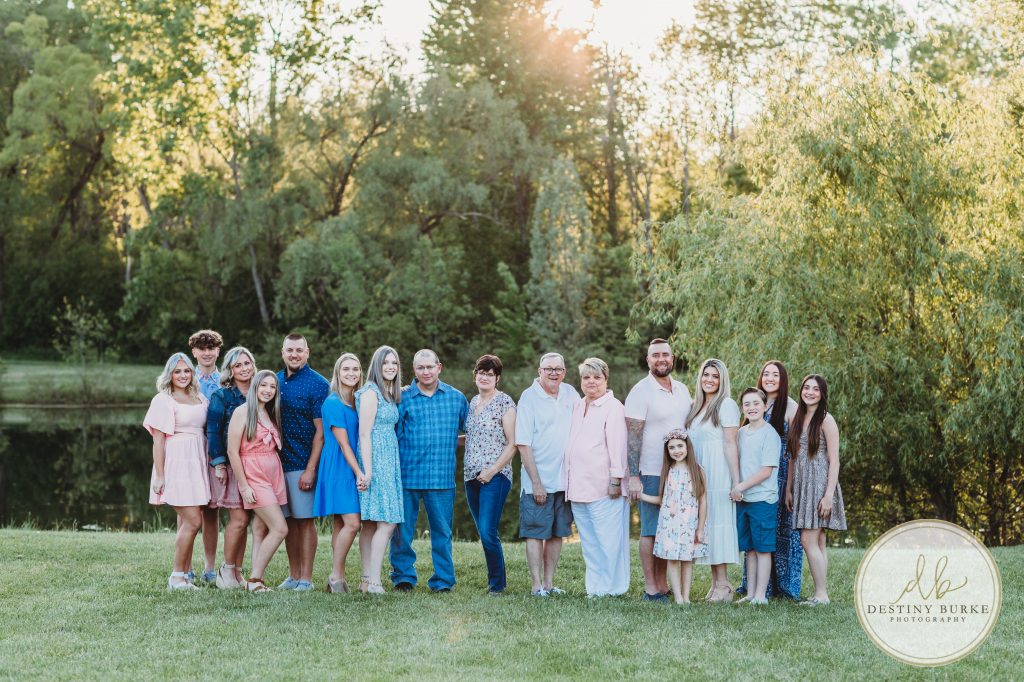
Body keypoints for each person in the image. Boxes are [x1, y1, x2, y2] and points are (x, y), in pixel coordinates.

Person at [391, 349, 468, 593]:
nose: (425, 372)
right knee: (402, 532)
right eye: (420, 368)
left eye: (429, 367)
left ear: (439, 367)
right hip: (407, 476)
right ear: (414, 370)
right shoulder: (402, 398)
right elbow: (392, 435)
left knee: (442, 533)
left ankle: (443, 580)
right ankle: (403, 576)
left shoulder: (456, 398)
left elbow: (472, 434)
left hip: (442, 477)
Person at [624, 338, 692, 602]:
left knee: (670, 528)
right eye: (656, 355)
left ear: (672, 359)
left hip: (678, 471)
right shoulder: (641, 391)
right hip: (651, 470)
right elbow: (632, 436)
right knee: (650, 530)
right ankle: (652, 587)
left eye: (666, 354)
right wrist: (632, 477)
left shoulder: (683, 389)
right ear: (648, 360)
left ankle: (664, 585)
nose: (661, 359)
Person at [563, 358, 629, 597]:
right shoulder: (578, 406)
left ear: (605, 379)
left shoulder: (614, 407)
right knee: (590, 542)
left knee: (609, 541)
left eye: (596, 377)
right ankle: (595, 588)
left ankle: (614, 588)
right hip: (579, 486)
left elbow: (618, 448)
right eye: (586, 377)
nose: (591, 382)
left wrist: (615, 480)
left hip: (603, 486)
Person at [515, 352, 580, 597]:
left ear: (564, 372)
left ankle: (550, 584)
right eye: (548, 368)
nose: (554, 373)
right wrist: (536, 483)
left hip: (565, 481)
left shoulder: (570, 393)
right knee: (534, 532)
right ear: (539, 370)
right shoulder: (529, 397)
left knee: (556, 533)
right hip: (538, 481)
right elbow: (523, 444)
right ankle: (535, 585)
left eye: (559, 369)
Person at [144, 352, 210, 590]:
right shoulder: (163, 400)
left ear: (192, 373)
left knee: (188, 522)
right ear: (169, 374)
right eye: (177, 371)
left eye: (186, 371)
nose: (183, 375)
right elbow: (158, 441)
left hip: (197, 460)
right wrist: (160, 475)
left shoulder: (199, 397)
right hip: (176, 463)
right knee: (193, 521)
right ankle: (176, 576)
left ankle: (182, 576)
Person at [738, 360, 802, 600]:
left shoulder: (790, 406)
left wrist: (790, 486)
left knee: (782, 532)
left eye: (775, 374)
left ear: (783, 379)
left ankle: (784, 586)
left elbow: (796, 448)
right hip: (756, 477)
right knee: (755, 538)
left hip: (781, 472)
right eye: (766, 373)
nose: (770, 378)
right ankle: (756, 589)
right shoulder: (755, 403)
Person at [786, 374, 847, 606]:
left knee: (807, 540)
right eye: (806, 388)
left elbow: (835, 460)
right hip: (801, 482)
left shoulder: (826, 419)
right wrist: (789, 488)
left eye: (815, 389)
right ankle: (820, 592)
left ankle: (821, 594)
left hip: (819, 482)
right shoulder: (798, 416)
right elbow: (793, 456)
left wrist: (829, 495)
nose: (809, 392)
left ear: (822, 394)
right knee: (818, 541)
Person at [226, 370, 289, 593]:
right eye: (263, 385)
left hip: (273, 474)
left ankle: (255, 581)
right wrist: (244, 486)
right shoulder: (243, 412)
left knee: (261, 527)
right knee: (280, 528)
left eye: (272, 387)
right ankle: (254, 579)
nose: (268, 390)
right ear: (255, 386)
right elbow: (233, 452)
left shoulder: (269, 413)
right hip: (254, 475)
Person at [276, 333, 330, 591]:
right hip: (277, 464)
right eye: (290, 350)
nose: (294, 354)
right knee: (288, 522)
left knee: (305, 520)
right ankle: (293, 575)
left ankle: (306, 579)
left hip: (302, 462)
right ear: (283, 352)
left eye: (299, 350)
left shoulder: (318, 384)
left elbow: (321, 432)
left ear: (307, 352)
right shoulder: (274, 381)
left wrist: (310, 469)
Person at [686, 358, 741, 602]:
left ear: (722, 380)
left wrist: (736, 481)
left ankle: (723, 585)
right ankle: (716, 583)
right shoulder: (696, 406)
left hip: (719, 472)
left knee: (717, 523)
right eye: (706, 374)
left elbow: (731, 443)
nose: (709, 379)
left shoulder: (726, 405)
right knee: (705, 525)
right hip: (699, 472)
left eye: (715, 376)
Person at [463, 354, 517, 595]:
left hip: (496, 476)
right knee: (483, 531)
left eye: (490, 374)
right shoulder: (472, 402)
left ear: (497, 378)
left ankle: (497, 585)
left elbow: (513, 443)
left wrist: (492, 470)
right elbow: (472, 438)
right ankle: (495, 580)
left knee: (487, 531)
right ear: (475, 376)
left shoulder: (505, 402)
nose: (485, 377)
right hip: (471, 476)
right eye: (481, 373)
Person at [206, 346, 257, 589]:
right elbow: (213, 432)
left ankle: (237, 572)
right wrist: (219, 464)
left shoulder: (259, 393)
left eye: (247, 363)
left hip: (255, 464)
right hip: (231, 463)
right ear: (230, 370)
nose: (244, 368)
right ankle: (225, 570)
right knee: (237, 518)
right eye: (238, 365)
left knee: (245, 519)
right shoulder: (222, 396)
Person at [313, 353, 363, 594]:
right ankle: (335, 575)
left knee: (339, 524)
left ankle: (339, 577)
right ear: (338, 373)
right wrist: (359, 473)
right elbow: (343, 444)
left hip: (350, 463)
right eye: (346, 369)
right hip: (340, 465)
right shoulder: (333, 402)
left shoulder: (357, 400)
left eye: (355, 369)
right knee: (353, 523)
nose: (351, 373)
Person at [355, 346, 404, 594]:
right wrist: (369, 470)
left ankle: (366, 579)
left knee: (373, 524)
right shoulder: (370, 393)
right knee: (386, 522)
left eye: (394, 363)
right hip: (376, 459)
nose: (390, 367)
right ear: (376, 365)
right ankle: (374, 580)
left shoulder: (387, 392)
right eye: (386, 363)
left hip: (388, 457)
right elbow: (364, 434)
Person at [640, 429, 707, 605]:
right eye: (671, 448)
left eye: (679, 446)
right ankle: (677, 597)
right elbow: (663, 500)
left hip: (689, 524)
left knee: (687, 560)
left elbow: (703, 500)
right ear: (667, 451)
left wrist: (700, 528)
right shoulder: (668, 471)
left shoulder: (697, 471)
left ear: (687, 447)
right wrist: (641, 495)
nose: (676, 450)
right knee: (672, 559)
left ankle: (686, 596)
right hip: (669, 524)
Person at [729, 388, 781, 605]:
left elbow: (766, 471)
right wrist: (738, 488)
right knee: (749, 548)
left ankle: (761, 595)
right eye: (747, 404)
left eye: (756, 403)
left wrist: (740, 486)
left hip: (763, 499)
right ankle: (750, 593)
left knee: (763, 549)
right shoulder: (741, 433)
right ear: (743, 408)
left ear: (765, 406)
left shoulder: (770, 434)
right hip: (744, 500)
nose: (751, 407)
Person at [188, 329, 224, 584]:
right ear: (194, 352)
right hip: (191, 448)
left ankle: (210, 568)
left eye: (211, 348)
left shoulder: (225, 380)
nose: (207, 352)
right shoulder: (186, 379)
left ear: (218, 351)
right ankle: (185, 565)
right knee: (189, 511)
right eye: (202, 348)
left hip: (216, 449)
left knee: (211, 511)